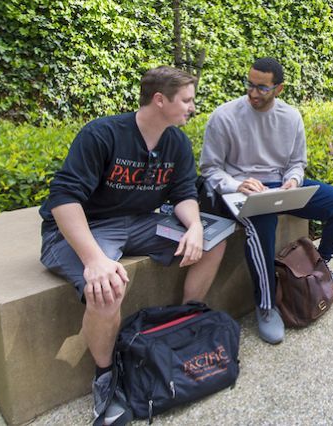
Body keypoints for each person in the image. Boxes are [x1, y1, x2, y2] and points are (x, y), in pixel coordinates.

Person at [39, 66, 225, 425]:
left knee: (216, 239)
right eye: (187, 100)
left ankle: (185, 321)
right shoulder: (103, 134)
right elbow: (63, 199)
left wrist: (196, 227)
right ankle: (107, 379)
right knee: (108, 286)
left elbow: (184, 194)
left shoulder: (176, 142)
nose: (192, 107)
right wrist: (93, 259)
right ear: (160, 100)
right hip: (87, 228)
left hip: (139, 223)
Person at [200, 57, 333, 345]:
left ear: (279, 88)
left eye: (262, 87)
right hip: (240, 191)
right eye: (249, 84)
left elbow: (297, 163)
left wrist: (294, 181)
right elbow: (210, 169)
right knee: (263, 221)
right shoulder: (224, 116)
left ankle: (320, 268)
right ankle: (266, 304)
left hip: (281, 187)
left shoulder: (290, 117)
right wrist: (238, 183)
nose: (253, 92)